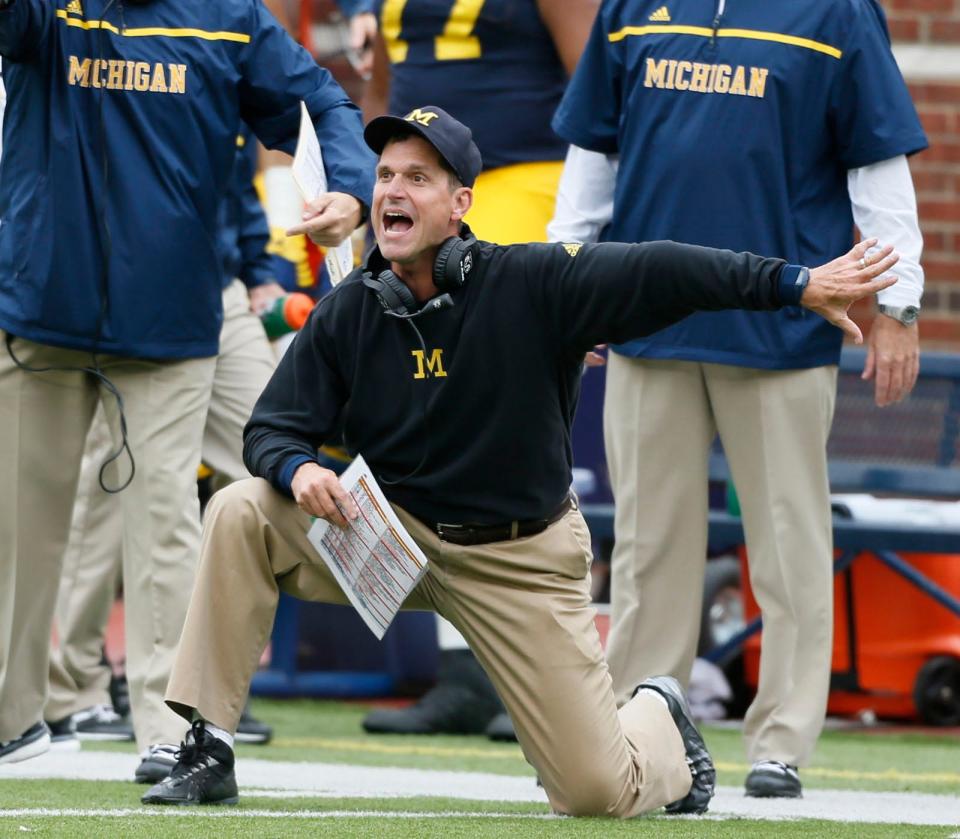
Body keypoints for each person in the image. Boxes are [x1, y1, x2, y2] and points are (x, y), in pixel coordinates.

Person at [141, 107, 897, 811]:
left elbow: (668, 269)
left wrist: (796, 283)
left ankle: (659, 719)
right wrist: (300, 468)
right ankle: (208, 745)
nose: (392, 192)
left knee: (595, 792)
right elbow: (270, 430)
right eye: (383, 177)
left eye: (417, 178)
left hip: (518, 558)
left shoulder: (534, 283)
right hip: (392, 539)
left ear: (460, 204)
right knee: (243, 507)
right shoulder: (352, 308)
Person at [549, 0, 927, 798]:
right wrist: (567, 278)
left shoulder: (838, 12)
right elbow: (594, 152)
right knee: (648, 546)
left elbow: (877, 166)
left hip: (787, 327)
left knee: (790, 544)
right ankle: (635, 731)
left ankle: (781, 741)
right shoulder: (629, 9)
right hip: (649, 320)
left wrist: (898, 307)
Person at [0, 0, 374, 768]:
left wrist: (348, 187)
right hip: (40, 308)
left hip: (169, 320)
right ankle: (12, 717)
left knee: (164, 520)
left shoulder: (228, 15)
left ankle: (171, 732)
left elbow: (319, 103)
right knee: (15, 523)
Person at [360, 0, 599, 740]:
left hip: (523, 179)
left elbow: (596, 88)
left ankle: (527, 662)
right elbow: (386, 88)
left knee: (499, 416)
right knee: (417, 415)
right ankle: (461, 665)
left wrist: (587, 238)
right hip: (423, 195)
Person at [43, 127, 286, 771]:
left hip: (219, 284)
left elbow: (237, 171)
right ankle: (73, 688)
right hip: (129, 286)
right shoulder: (111, 38)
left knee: (275, 456)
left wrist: (260, 269)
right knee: (114, 481)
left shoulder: (225, 35)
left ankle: (211, 688)